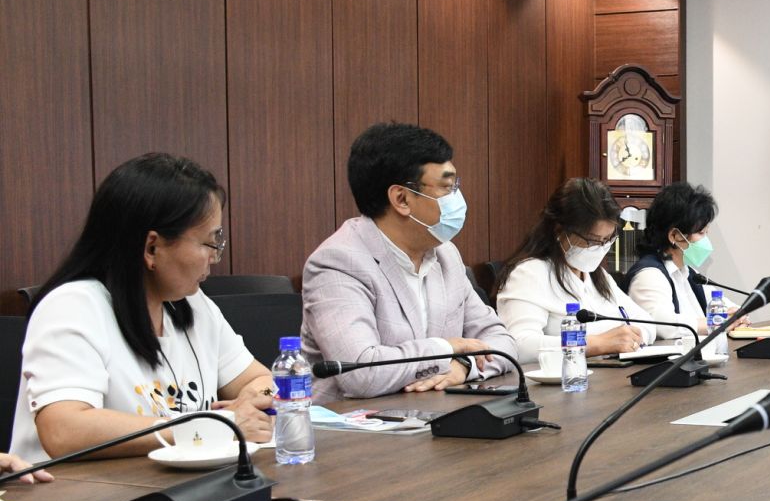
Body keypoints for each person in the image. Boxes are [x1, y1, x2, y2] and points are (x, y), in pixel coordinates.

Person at [10, 154, 276, 463]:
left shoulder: (192, 304)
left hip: (168, 484)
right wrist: (211, 426)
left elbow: (262, 380)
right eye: (208, 243)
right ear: (152, 248)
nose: (214, 257)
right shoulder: (73, 307)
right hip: (76, 490)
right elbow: (64, 431)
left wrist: (254, 400)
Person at [300, 123, 517, 401]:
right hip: (355, 423)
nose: (457, 198)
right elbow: (361, 373)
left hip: (435, 413)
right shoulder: (339, 262)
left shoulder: (446, 255)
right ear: (401, 199)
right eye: (447, 187)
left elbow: (503, 342)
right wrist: (446, 350)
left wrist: (464, 365)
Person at [497, 178, 659, 360]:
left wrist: (630, 338)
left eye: (607, 239)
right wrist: (595, 343)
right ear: (559, 231)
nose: (600, 248)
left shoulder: (597, 275)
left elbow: (648, 324)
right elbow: (519, 346)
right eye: (592, 240)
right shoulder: (529, 273)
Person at [624, 181, 717, 337]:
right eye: (701, 233)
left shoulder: (689, 273)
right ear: (674, 236)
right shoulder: (649, 275)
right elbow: (664, 326)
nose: (706, 240)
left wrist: (736, 315)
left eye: (706, 233)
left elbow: (722, 306)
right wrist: (717, 322)